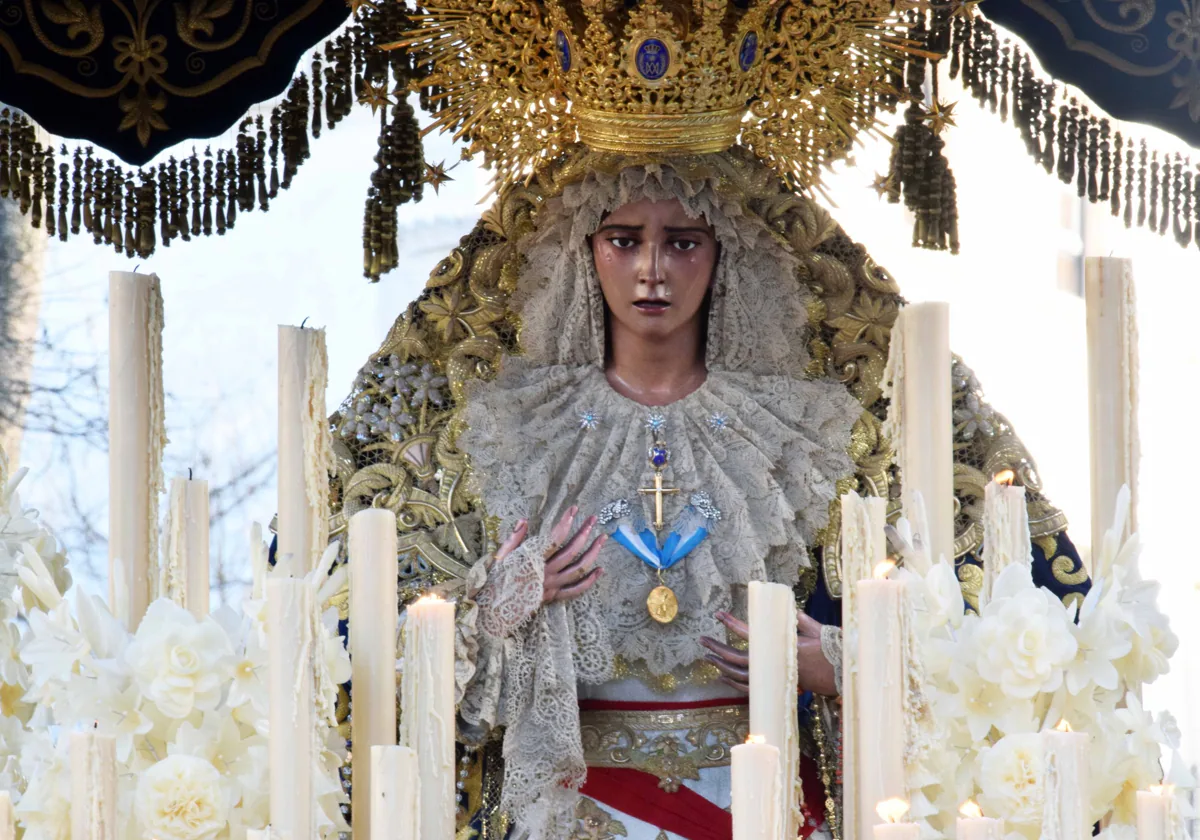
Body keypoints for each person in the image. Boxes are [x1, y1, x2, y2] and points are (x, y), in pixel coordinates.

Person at [328, 4, 1091, 838]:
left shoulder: (810, 433)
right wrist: (496, 610)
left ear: (725, 253)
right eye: (624, 239)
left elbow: (976, 613)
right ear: (584, 253)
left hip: (763, 805)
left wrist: (844, 663)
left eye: (683, 241)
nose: (652, 269)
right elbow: (364, 648)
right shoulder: (508, 430)